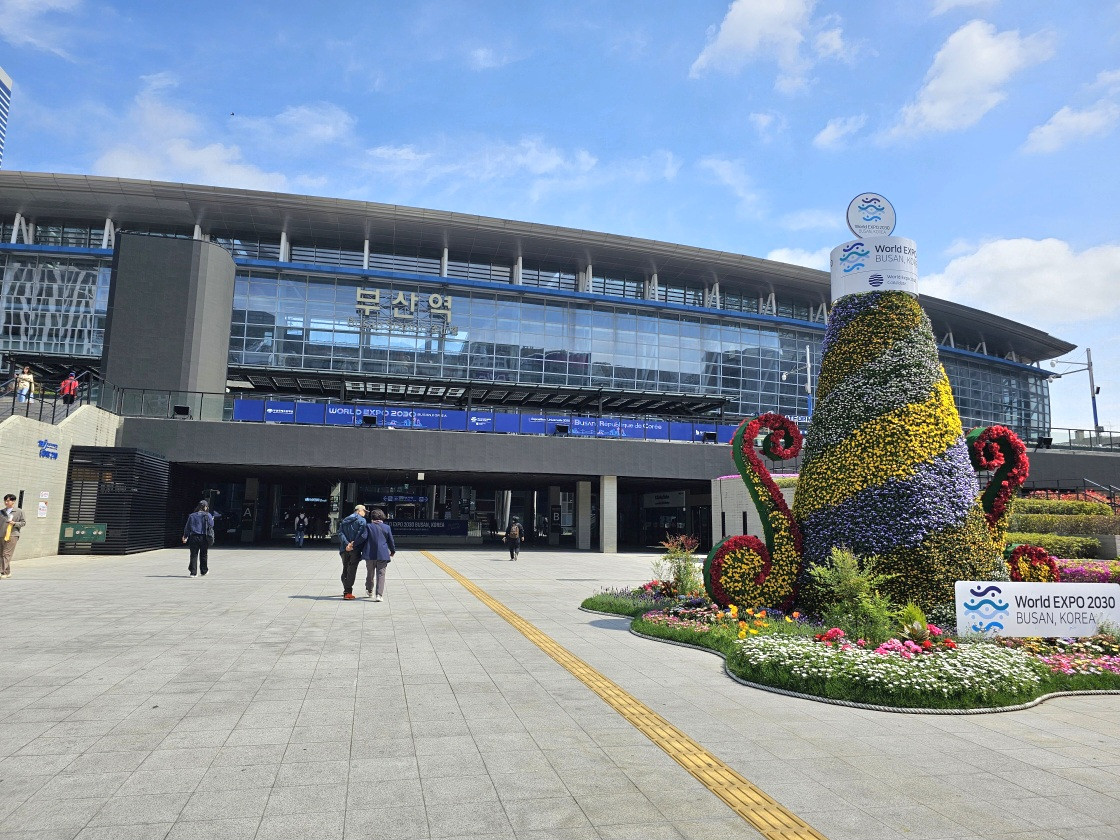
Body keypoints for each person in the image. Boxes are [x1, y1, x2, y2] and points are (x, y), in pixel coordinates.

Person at [348, 508, 395, 601]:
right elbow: (391, 540)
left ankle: (369, 590)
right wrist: (392, 551)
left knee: (370, 573)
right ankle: (379, 595)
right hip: (382, 554)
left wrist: (354, 544)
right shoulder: (387, 527)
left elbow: (363, 537)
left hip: (369, 554)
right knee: (381, 574)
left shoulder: (368, 526)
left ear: (372, 517)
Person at [338, 504, 368, 599]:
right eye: (364, 511)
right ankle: (348, 592)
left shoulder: (345, 520)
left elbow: (340, 533)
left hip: (344, 549)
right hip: (355, 549)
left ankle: (346, 588)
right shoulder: (362, 521)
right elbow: (361, 535)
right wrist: (352, 544)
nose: (365, 513)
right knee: (352, 570)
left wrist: (347, 544)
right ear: (359, 511)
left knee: (345, 568)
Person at [181, 500, 215, 576]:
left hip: (194, 537)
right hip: (204, 537)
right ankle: (204, 570)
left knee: (193, 554)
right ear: (205, 507)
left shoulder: (192, 516)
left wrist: (185, 536)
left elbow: (187, 527)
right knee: (204, 554)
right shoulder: (208, 515)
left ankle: (193, 573)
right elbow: (211, 525)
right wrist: (212, 519)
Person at [1, 494, 27, 579]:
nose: (6, 502)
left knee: (6, 553)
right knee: (2, 554)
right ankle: (7, 572)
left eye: (8, 500)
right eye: (5, 500)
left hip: (13, 535)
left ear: (13, 501)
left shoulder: (19, 511)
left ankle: (1, 572)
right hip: (1, 535)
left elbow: (23, 523)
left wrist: (14, 523)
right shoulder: (1, 512)